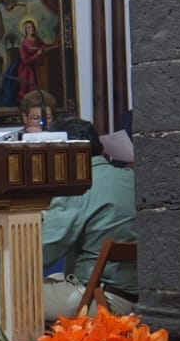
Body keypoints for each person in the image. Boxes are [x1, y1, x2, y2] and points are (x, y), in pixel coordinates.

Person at [42, 118, 136, 320]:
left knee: (3, 295)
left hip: (99, 298)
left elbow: (42, 252)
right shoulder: (131, 177)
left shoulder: (77, 187)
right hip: (138, 296)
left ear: (62, 155)